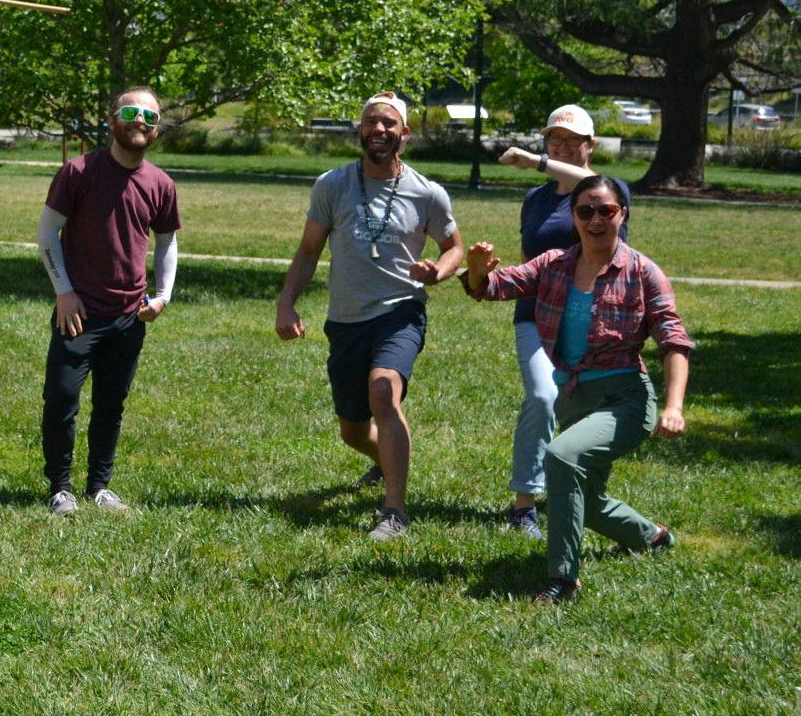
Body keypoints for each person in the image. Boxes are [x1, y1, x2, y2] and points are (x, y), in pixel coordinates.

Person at [464, 174, 690, 605]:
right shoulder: (553, 265)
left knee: (561, 457)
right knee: (585, 497)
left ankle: (563, 580)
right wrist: (476, 272)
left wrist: (674, 406)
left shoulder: (643, 272)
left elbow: (673, 341)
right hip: (574, 398)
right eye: (586, 210)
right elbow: (493, 287)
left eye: (606, 210)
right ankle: (652, 538)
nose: (596, 219)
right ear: (574, 217)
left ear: (622, 214)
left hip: (625, 398)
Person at [275, 92, 463, 541]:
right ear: (360, 131)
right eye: (371, 123)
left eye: (389, 124)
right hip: (345, 320)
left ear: (405, 134)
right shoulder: (332, 185)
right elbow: (307, 251)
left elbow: (454, 247)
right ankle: (384, 461)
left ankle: (394, 511)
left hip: (401, 311)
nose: (380, 130)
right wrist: (287, 302)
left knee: (384, 391)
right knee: (353, 431)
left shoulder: (427, 193)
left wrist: (438, 271)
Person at [37, 88, 182, 516]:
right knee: (61, 399)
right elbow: (48, 233)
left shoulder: (160, 184)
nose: (141, 121)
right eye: (132, 112)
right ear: (112, 119)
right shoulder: (78, 172)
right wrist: (63, 291)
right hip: (78, 314)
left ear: (157, 129)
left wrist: (162, 297)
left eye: (150, 117)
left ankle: (99, 486)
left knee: (111, 404)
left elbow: (167, 241)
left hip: (128, 316)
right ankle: (60, 488)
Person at [492, 104, 629, 538]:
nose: (564, 146)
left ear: (591, 145)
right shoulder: (535, 200)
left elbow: (588, 187)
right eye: (555, 139)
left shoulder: (607, 193)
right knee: (541, 396)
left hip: (594, 317)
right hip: (536, 315)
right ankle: (524, 504)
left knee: (586, 408)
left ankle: (580, 494)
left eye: (573, 140)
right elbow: (529, 260)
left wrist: (534, 161)